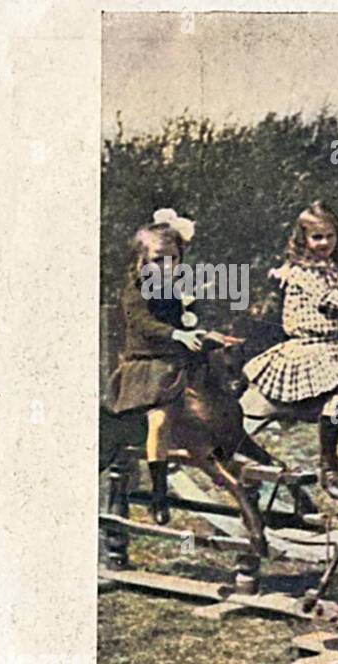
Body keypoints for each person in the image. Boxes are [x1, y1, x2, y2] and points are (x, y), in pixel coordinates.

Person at [242, 202, 338, 499]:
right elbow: (331, 300)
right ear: (303, 239)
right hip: (308, 348)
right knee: (337, 394)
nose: (324, 243)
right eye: (317, 237)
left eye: (329, 236)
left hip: (337, 345)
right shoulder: (302, 272)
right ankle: (329, 464)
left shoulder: (332, 270)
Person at [105, 208, 209, 524]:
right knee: (160, 421)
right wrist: (177, 333)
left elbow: (187, 319)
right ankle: (159, 494)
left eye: (173, 259)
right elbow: (144, 323)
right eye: (158, 259)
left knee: (215, 390)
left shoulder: (177, 286)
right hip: (146, 368)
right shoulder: (135, 289)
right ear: (142, 260)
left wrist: (195, 322)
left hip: (176, 362)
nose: (167, 266)